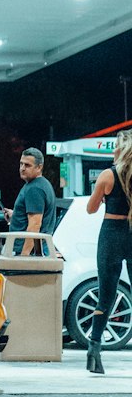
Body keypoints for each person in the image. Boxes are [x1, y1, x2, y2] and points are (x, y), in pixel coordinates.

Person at [83, 128, 132, 376]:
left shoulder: (107, 175)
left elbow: (91, 209)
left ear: (121, 149)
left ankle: (94, 349)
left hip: (111, 234)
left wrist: (100, 196)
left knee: (106, 296)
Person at [3, 147, 57, 255]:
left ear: (39, 167)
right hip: (38, 249)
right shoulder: (41, 184)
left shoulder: (34, 189)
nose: (22, 168)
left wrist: (24, 256)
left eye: (27, 165)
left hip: (30, 252)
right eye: (21, 164)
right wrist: (15, 217)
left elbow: (35, 225)